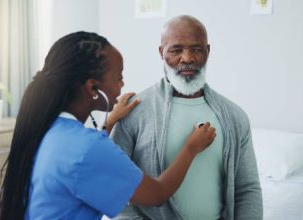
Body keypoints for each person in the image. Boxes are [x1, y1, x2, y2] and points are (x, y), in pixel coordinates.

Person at [0, 31, 217, 220]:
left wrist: (109, 121)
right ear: (93, 89)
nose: (122, 84)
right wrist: (190, 148)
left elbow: (80, 162)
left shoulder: (47, 129)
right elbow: (156, 194)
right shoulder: (87, 149)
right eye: (119, 77)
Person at [111, 15, 263, 220]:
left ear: (208, 52)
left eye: (197, 49)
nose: (187, 58)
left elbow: (247, 189)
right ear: (161, 52)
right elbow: (113, 185)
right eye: (176, 50)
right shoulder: (134, 111)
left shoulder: (234, 117)